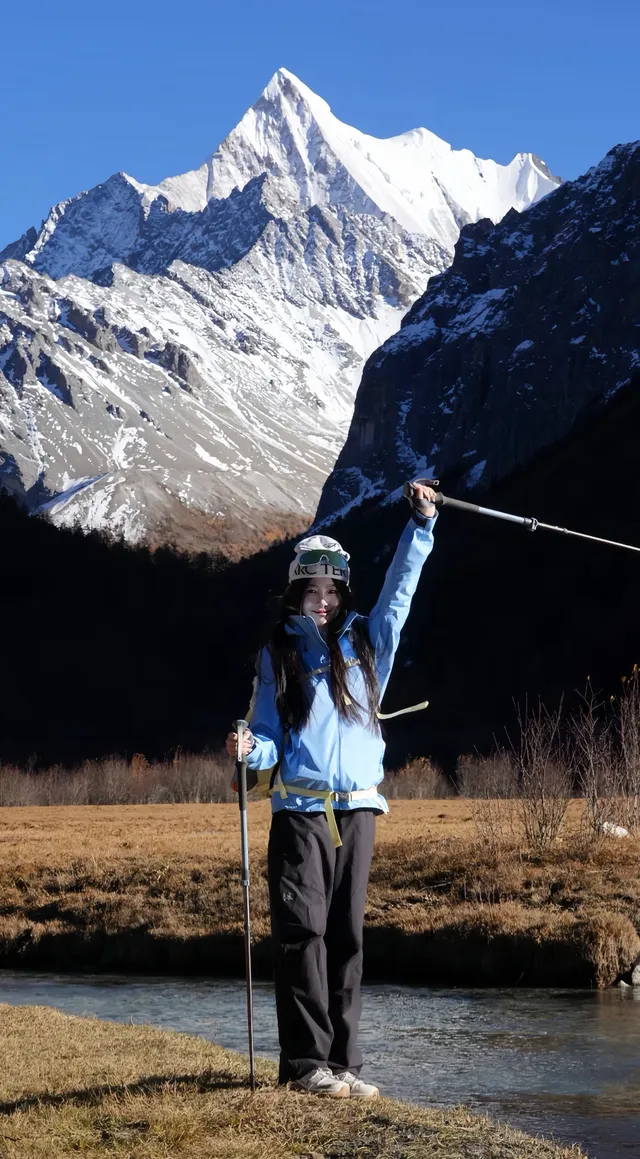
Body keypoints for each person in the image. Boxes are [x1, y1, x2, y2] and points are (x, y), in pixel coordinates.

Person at [226, 481, 438, 1098]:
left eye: (332, 590)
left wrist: (421, 527)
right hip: (299, 807)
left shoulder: (370, 644)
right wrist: (249, 749)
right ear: (297, 592)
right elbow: (268, 734)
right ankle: (305, 1065)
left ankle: (346, 1066)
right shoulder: (278, 654)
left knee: (347, 936)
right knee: (301, 933)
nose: (322, 601)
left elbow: (399, 593)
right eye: (311, 590)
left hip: (360, 807)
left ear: (344, 593)